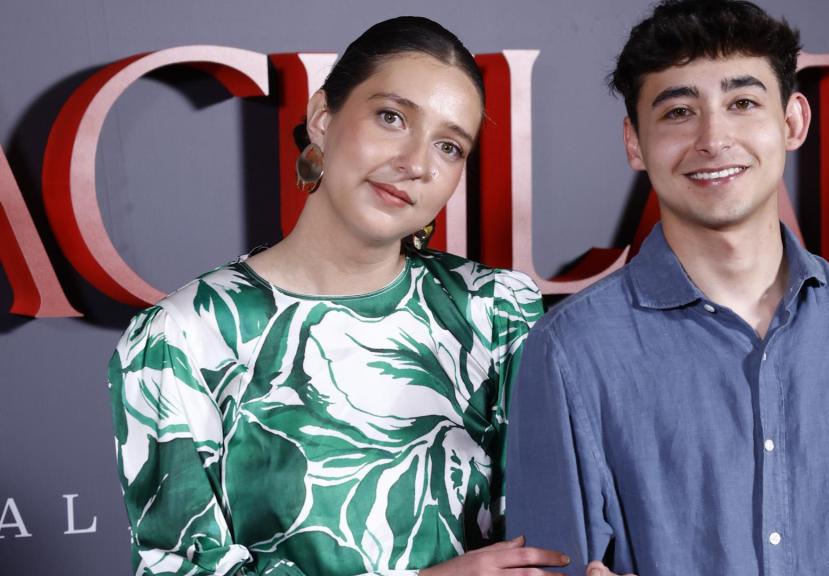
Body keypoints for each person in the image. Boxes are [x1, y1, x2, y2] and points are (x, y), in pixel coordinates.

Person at [505, 1, 829, 574]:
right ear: (635, 144)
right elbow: (559, 565)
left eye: (742, 103)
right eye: (677, 112)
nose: (713, 139)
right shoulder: (571, 351)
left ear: (793, 121)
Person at [108, 16, 570, 576]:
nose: (417, 163)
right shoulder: (182, 337)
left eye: (449, 146)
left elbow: (548, 533)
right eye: (392, 117)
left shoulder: (496, 311)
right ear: (323, 119)